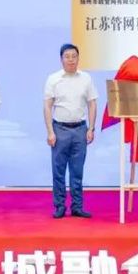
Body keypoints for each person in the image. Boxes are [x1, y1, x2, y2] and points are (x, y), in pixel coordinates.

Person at [43, 43, 97, 219]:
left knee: (77, 171)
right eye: (67, 56)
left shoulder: (86, 78)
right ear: (61, 59)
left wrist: (91, 128)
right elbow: (47, 106)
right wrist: (50, 131)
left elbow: (92, 104)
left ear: (78, 58)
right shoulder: (53, 79)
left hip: (80, 129)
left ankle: (77, 206)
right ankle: (59, 206)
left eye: (74, 56)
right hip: (60, 129)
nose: (71, 60)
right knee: (58, 170)